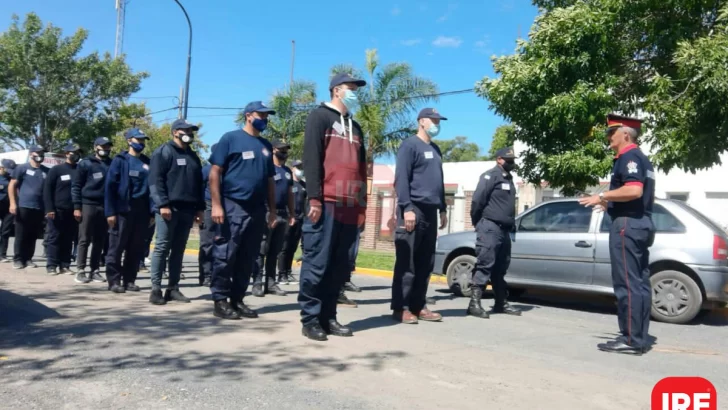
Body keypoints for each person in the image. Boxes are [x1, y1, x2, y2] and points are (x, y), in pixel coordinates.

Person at [298, 72, 368, 341]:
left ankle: (329, 317)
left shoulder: (356, 127)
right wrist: (314, 197)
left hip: (350, 206)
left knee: (339, 266)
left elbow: (362, 169)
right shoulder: (320, 117)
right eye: (351, 88)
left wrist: (361, 206)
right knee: (318, 262)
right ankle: (311, 318)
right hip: (325, 203)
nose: (355, 93)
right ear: (336, 90)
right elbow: (312, 158)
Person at [579, 114, 655, 356]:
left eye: (611, 133)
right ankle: (639, 337)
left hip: (627, 226)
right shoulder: (642, 159)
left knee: (627, 284)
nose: (608, 138)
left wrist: (602, 196)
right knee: (640, 284)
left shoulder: (629, 157)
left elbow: (633, 190)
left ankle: (631, 340)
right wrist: (609, 205)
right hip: (639, 222)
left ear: (625, 134)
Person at [208, 101, 277, 320]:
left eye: (267, 116)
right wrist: (217, 205)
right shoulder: (230, 138)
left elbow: (270, 181)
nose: (264, 119)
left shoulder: (265, 145)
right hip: (232, 205)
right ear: (248, 115)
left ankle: (237, 300)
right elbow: (215, 172)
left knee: (248, 257)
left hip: (257, 209)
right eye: (261, 115)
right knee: (225, 254)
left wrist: (272, 210)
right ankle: (220, 300)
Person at [391, 108, 449, 324]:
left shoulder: (435, 149)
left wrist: (442, 208)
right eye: (433, 120)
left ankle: (418, 304)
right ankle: (402, 307)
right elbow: (402, 179)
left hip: (431, 212)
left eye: (438, 120)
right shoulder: (409, 145)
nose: (436, 123)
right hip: (413, 209)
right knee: (408, 262)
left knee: (426, 262)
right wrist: (406, 207)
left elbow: (439, 181)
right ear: (422, 121)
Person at [148, 119, 205, 305]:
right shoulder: (164, 152)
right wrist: (162, 204)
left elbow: (198, 185)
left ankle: (172, 288)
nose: (189, 132)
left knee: (178, 250)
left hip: (188, 209)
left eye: (191, 130)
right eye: (185, 130)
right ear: (175, 132)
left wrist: (200, 208)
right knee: (162, 247)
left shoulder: (193, 156)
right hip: (168, 208)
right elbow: (156, 181)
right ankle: (155, 289)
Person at [467, 146, 522, 318]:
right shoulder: (489, 176)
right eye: (508, 160)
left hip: (503, 230)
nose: (511, 163)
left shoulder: (508, 178)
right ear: (499, 159)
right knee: (485, 264)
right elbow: (477, 201)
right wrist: (478, 223)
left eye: (513, 160)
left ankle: (500, 302)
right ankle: (474, 303)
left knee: (500, 268)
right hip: (490, 227)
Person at [104, 128, 153, 293]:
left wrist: (152, 212)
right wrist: (110, 212)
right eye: (138, 140)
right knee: (116, 247)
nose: (141, 143)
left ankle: (129, 280)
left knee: (136, 247)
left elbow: (152, 188)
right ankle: (114, 281)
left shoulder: (147, 162)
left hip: (142, 211)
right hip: (123, 210)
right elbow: (110, 187)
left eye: (143, 140)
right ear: (129, 140)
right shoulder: (120, 160)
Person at [252, 140, 295, 297]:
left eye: (286, 150)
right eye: (281, 149)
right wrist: (269, 211)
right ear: (273, 150)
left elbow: (290, 193)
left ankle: (270, 283)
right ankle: (257, 283)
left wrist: (292, 214)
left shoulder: (287, 171)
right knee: (261, 249)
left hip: (283, 214)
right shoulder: (266, 169)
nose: (284, 152)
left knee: (274, 251)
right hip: (268, 213)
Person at [72, 137, 113, 283]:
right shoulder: (85, 163)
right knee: (84, 238)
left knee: (100, 240)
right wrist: (77, 207)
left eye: (108, 146)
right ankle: (80, 270)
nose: (105, 149)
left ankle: (94, 270)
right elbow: (76, 186)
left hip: (105, 206)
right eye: (102, 146)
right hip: (87, 205)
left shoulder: (112, 163)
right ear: (95, 147)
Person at [8, 145, 49, 270]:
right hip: (24, 205)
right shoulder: (22, 168)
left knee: (33, 234)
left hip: (39, 207)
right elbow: (12, 185)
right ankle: (18, 259)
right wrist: (13, 203)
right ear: (31, 154)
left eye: (42, 153)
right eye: (38, 153)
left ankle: (28, 258)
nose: (40, 155)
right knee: (21, 233)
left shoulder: (46, 171)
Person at [44, 143, 81, 276]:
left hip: (73, 211)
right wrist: (49, 208)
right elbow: (47, 190)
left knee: (68, 238)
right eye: (73, 152)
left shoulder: (79, 170)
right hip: (57, 210)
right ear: (66, 154)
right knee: (54, 237)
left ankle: (65, 265)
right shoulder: (56, 170)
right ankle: (52, 265)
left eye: (78, 153)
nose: (76, 155)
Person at [277, 159, 306, 285]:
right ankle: (281, 274)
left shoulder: (304, 185)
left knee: (293, 248)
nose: (300, 169)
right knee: (284, 247)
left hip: (300, 219)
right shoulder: (290, 183)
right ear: (292, 168)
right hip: (290, 218)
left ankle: (288, 272)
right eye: (298, 167)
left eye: (302, 167)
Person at [198, 143, 217, 287]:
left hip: (224, 207)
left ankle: (218, 274)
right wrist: (198, 210)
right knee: (207, 243)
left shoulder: (227, 170)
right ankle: (206, 275)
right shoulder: (206, 169)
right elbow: (198, 190)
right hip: (208, 206)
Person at [0, 159, 17, 263]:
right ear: (2, 168)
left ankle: (2, 254)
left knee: (5, 232)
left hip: (8, 208)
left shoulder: (12, 179)